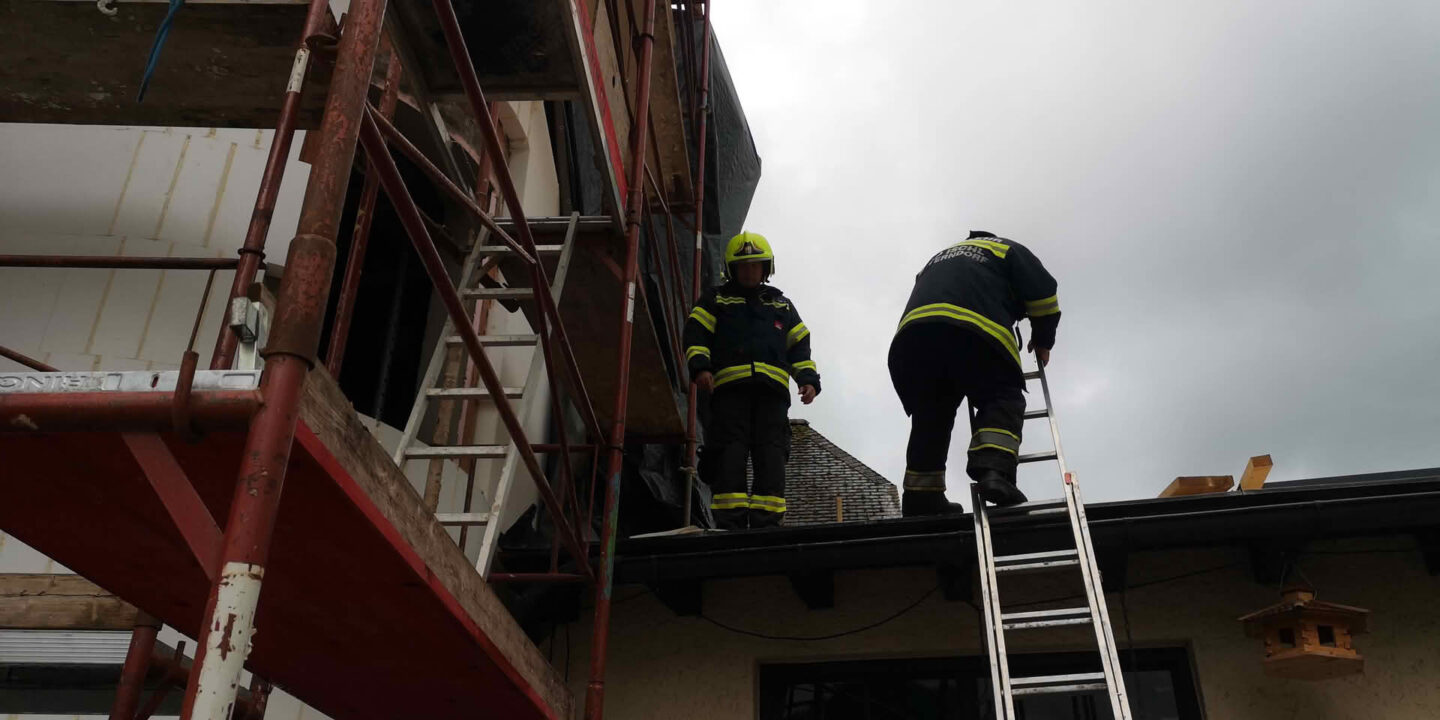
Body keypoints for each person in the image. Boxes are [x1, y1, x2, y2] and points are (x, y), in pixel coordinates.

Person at [889, 230, 1061, 513]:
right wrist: (1043, 339)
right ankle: (995, 472)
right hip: (975, 331)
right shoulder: (1006, 249)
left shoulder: (936, 258)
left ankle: (922, 497)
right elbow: (1044, 294)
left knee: (932, 413)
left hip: (913, 339)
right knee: (1002, 396)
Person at [683, 231, 821, 529]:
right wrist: (701, 368)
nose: (749, 271)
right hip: (729, 394)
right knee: (729, 453)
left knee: (771, 454)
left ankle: (766, 522)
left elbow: (799, 345)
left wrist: (807, 379)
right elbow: (696, 335)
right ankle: (729, 523)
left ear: (765, 268)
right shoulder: (716, 299)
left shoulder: (781, 305)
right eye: (743, 266)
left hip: (771, 397)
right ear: (732, 269)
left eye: (755, 265)